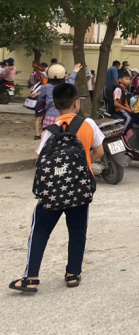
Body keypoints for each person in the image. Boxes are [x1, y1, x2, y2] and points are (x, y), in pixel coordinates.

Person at [9, 83, 104, 293]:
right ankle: (72, 274)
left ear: (56, 104)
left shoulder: (50, 130)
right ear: (76, 103)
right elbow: (99, 151)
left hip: (53, 191)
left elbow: (41, 159)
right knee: (78, 230)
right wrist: (84, 163)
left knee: (40, 229)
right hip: (79, 188)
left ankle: (31, 277)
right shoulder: (88, 124)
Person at [38, 64, 81, 129]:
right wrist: (74, 71)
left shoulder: (46, 87)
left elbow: (40, 99)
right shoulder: (67, 86)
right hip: (65, 118)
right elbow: (71, 79)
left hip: (49, 117)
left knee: (47, 137)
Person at [27, 74, 47, 140]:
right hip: (43, 102)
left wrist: (32, 94)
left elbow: (30, 91)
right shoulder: (47, 84)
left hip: (37, 103)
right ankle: (42, 133)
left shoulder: (37, 84)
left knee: (37, 118)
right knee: (43, 118)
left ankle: (37, 134)